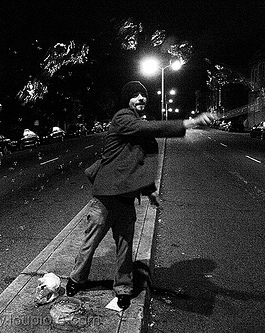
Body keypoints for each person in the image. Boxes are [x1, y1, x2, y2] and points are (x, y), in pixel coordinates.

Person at [66, 80, 216, 310]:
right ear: (127, 100)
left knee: (125, 247)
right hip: (105, 198)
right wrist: (189, 122)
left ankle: (123, 289)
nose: (141, 98)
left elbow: (139, 163)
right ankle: (76, 280)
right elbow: (149, 129)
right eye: (135, 95)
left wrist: (150, 191)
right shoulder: (123, 118)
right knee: (90, 242)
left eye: (143, 95)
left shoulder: (137, 124)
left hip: (125, 198)